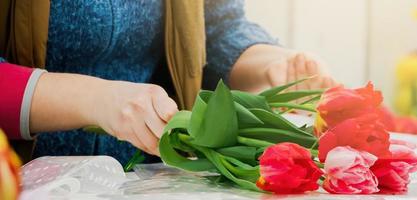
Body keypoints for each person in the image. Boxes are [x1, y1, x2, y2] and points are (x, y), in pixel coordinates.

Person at [0, 0, 336, 165]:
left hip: (146, 181)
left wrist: (276, 65)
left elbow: (219, 26)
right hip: (20, 177)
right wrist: (96, 100)